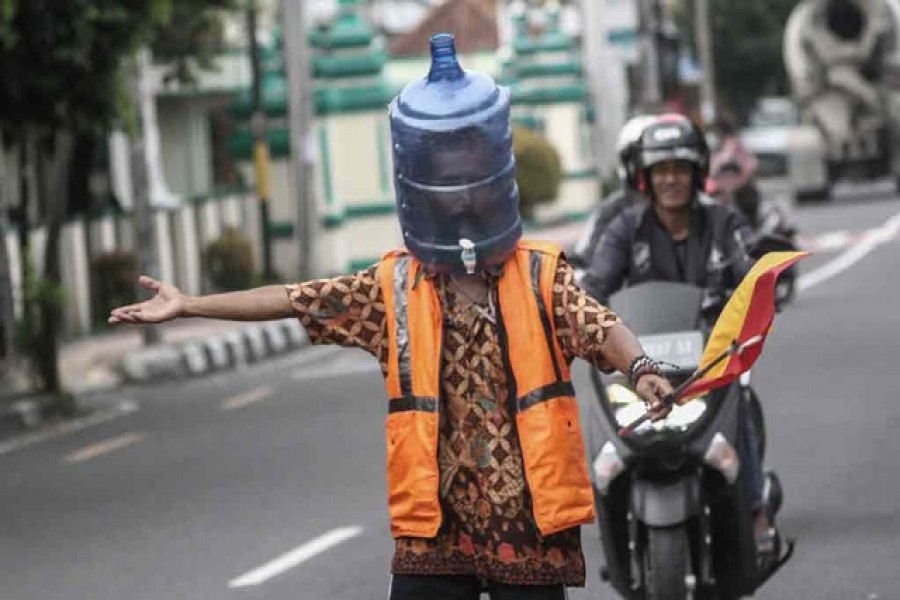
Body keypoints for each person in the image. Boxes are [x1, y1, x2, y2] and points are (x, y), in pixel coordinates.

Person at [109, 34, 675, 600]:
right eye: (444, 187)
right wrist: (188, 305)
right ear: (421, 192)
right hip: (435, 526)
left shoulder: (539, 277)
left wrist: (642, 366)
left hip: (525, 520)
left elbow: (600, 326)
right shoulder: (394, 287)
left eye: (467, 185)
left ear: (492, 184)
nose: (458, 199)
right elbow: (293, 297)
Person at [580, 113, 777, 552]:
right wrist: (580, 311)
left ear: (696, 173)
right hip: (645, 364)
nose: (671, 179)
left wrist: (760, 281)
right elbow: (594, 287)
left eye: (680, 169)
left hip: (713, 358)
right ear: (645, 178)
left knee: (741, 399)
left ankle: (754, 506)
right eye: (661, 171)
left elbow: (750, 270)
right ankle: (612, 515)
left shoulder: (724, 224)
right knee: (601, 411)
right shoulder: (624, 228)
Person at [569, 114, 655, 270]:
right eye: (645, 162)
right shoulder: (611, 212)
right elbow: (584, 264)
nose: (668, 178)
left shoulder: (706, 212)